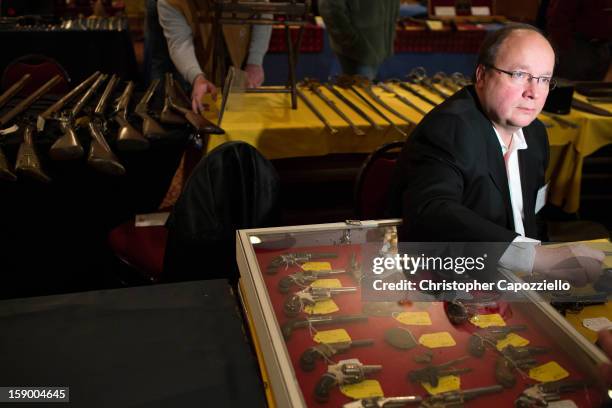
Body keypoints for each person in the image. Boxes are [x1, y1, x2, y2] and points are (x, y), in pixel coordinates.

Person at [387, 24, 604, 283]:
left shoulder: (534, 134)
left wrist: (547, 269)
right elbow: (433, 212)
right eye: (519, 74)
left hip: (514, 283)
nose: (533, 93)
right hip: (449, 285)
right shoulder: (449, 128)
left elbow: (528, 220)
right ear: (481, 76)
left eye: (544, 79)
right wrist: (536, 259)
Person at [158, 0, 272, 113]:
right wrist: (196, 77)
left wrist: (254, 62)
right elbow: (180, 43)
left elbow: (263, 9)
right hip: (198, 50)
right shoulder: (170, 2)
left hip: (239, 46)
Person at [318, 0, 400, 80]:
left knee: (362, 89)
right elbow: (329, 7)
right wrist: (350, 40)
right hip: (358, 50)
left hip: (374, 45)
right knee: (359, 90)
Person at [546, 0, 612, 81]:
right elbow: (558, 18)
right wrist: (565, 48)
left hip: (603, 48)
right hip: (577, 46)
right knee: (567, 86)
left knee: (593, 88)